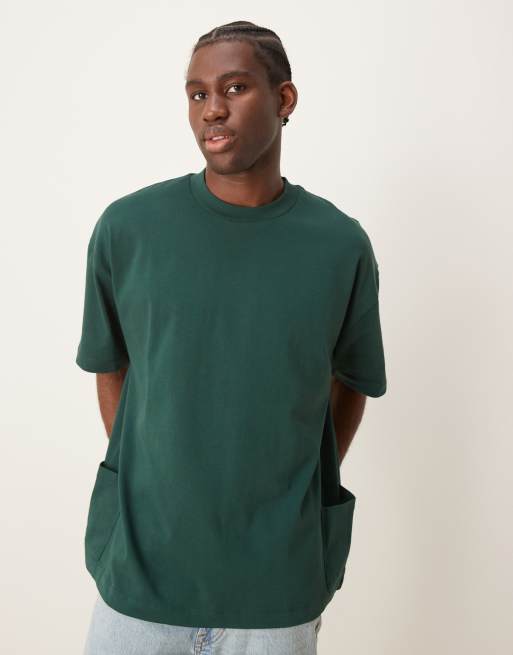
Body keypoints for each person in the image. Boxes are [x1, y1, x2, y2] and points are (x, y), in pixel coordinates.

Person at [77, 20, 387, 655]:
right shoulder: (129, 229)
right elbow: (113, 367)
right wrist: (161, 470)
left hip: (277, 587)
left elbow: (351, 381)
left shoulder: (338, 245)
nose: (212, 109)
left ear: (284, 98)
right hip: (141, 577)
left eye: (235, 87)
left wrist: (285, 472)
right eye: (197, 93)